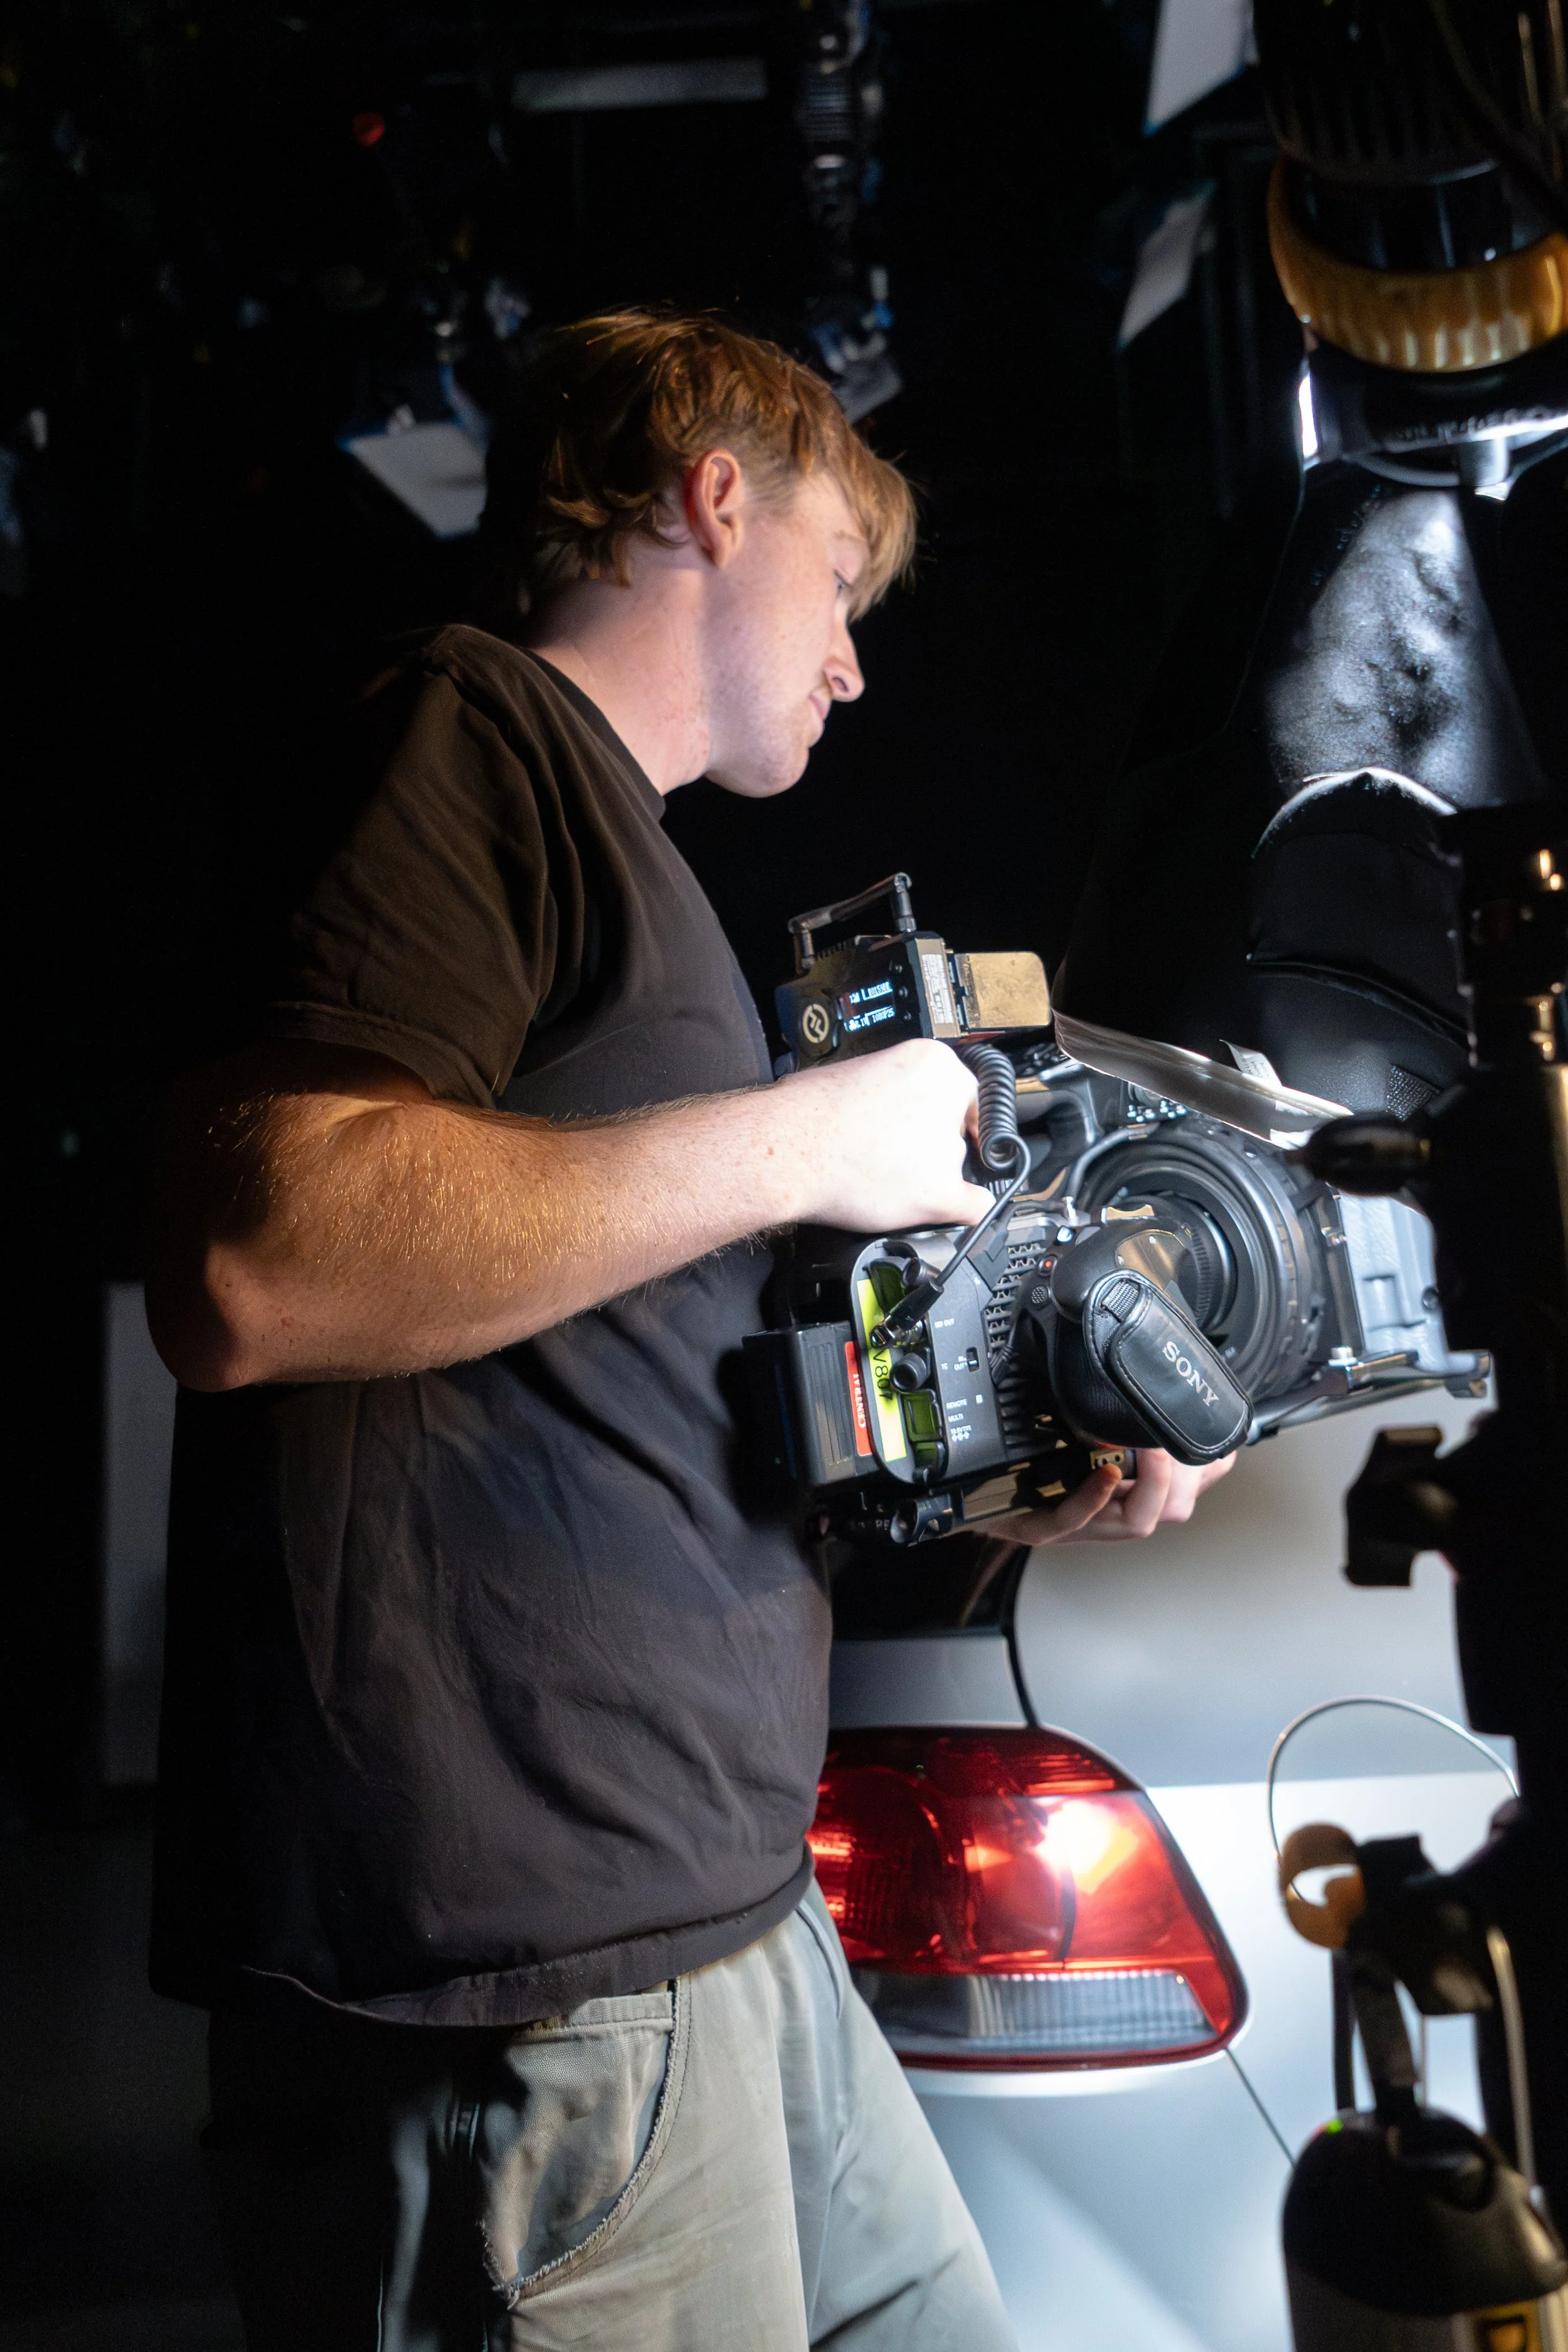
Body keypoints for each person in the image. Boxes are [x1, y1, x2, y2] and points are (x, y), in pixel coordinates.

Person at [147, 309, 1232, 2352]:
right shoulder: (466, 731)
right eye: (839, 581)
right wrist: (810, 1134)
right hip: (529, 1997)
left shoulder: (631, 882)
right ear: (712, 501)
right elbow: (254, 1255)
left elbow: (615, 1407)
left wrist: (1010, 1488)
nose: (853, 657)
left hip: (723, 1926)